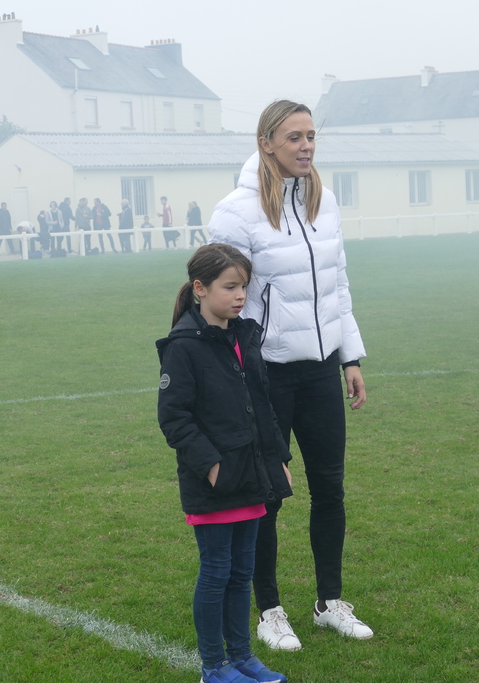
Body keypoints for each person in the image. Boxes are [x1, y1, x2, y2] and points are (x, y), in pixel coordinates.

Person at [209, 100, 371, 651]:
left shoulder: (326, 202)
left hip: (321, 371)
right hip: (266, 376)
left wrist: (349, 357)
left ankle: (330, 603)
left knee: (330, 488)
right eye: (294, 137)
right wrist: (233, 373)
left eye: (311, 136)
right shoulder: (235, 212)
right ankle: (270, 611)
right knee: (268, 496)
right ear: (267, 143)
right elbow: (223, 298)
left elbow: (338, 285)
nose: (306, 146)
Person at [157, 243, 293, 683]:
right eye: (229, 287)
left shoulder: (245, 336)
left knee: (241, 572)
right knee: (217, 572)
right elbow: (174, 419)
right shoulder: (183, 346)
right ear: (200, 288)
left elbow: (263, 406)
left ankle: (243, 657)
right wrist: (213, 467)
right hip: (214, 483)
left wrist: (278, 459)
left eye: (244, 287)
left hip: (253, 475)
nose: (239, 296)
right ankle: (213, 667)